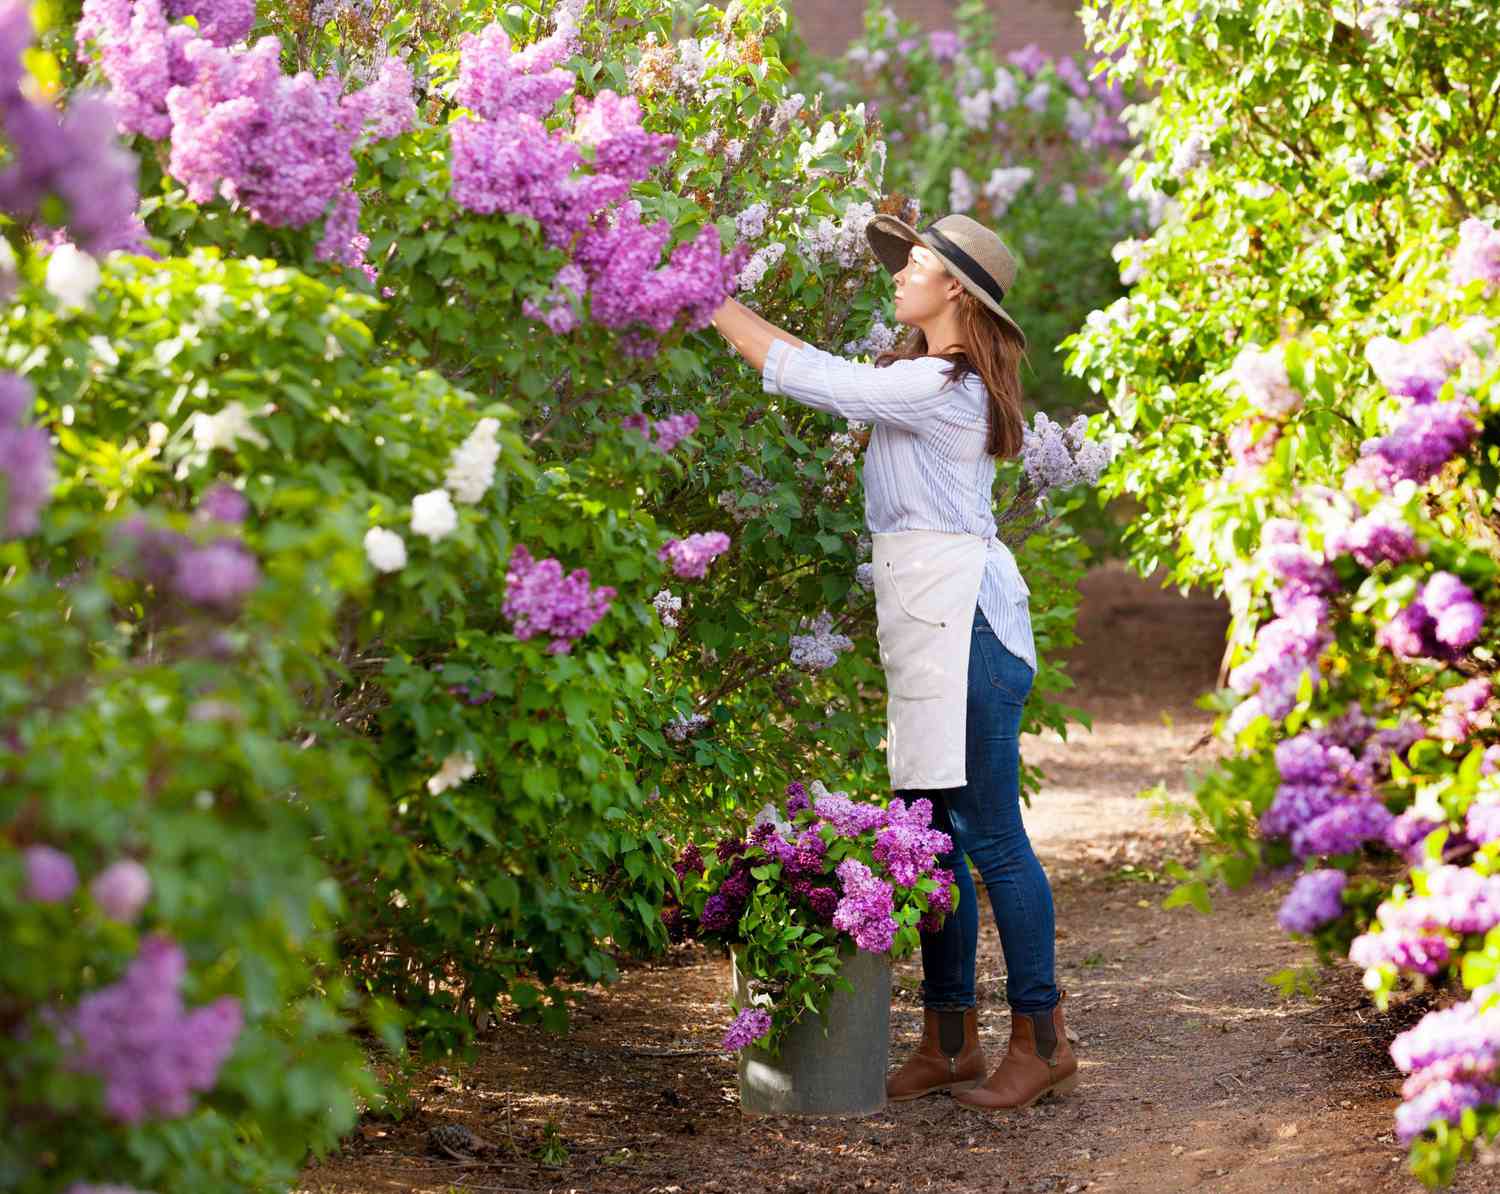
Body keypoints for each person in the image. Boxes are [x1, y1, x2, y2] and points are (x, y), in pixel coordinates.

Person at [710, 212, 1076, 1111]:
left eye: (914, 264)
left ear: (955, 290)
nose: (899, 274)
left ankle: (1045, 1037)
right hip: (930, 629)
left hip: (968, 633)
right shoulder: (921, 376)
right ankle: (949, 1039)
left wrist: (706, 299)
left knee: (989, 837)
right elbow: (815, 361)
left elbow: (805, 375)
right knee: (932, 837)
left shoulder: (945, 388)